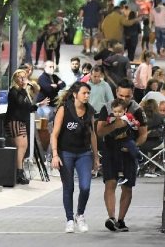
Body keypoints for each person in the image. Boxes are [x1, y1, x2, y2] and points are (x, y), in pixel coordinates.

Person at [96, 79, 148, 232]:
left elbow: (143, 133)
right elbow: (99, 132)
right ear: (116, 93)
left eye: (128, 96)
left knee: (127, 187)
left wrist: (133, 147)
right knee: (110, 183)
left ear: (132, 94)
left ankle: (121, 220)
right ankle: (111, 218)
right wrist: (115, 125)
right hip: (110, 149)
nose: (124, 99)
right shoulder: (107, 107)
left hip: (127, 151)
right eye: (121, 95)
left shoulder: (137, 110)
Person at [50, 82, 100, 233]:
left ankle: (80, 214)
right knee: (69, 186)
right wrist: (55, 154)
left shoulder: (89, 110)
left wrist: (96, 157)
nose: (87, 96)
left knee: (85, 187)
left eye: (88, 93)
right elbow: (55, 134)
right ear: (75, 94)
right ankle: (69, 219)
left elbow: (92, 134)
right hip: (66, 152)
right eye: (84, 93)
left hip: (84, 152)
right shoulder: (64, 110)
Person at [6, 67, 47, 185]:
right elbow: (19, 102)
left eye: (24, 76)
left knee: (23, 147)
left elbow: (28, 107)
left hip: (21, 120)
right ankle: (19, 172)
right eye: (20, 76)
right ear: (15, 78)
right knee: (22, 146)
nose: (23, 79)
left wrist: (39, 104)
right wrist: (24, 88)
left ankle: (19, 171)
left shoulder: (24, 91)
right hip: (15, 121)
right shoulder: (13, 90)